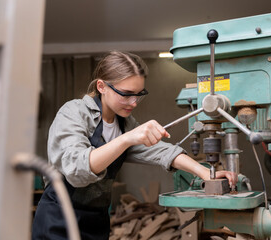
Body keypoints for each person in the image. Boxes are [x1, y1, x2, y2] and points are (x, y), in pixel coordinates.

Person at [32, 51, 237, 240]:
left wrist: (204, 173)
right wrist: (127, 139)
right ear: (101, 86)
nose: (134, 103)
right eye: (126, 94)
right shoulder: (73, 113)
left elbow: (159, 151)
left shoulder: (125, 123)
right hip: (58, 219)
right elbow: (76, 169)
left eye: (139, 94)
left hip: (96, 220)